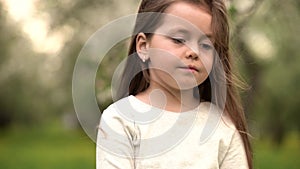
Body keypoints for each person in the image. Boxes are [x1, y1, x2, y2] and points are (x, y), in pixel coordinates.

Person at [96, 0, 252, 168]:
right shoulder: (122, 120)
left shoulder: (222, 126)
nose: (193, 52)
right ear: (143, 46)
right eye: (179, 39)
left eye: (206, 45)